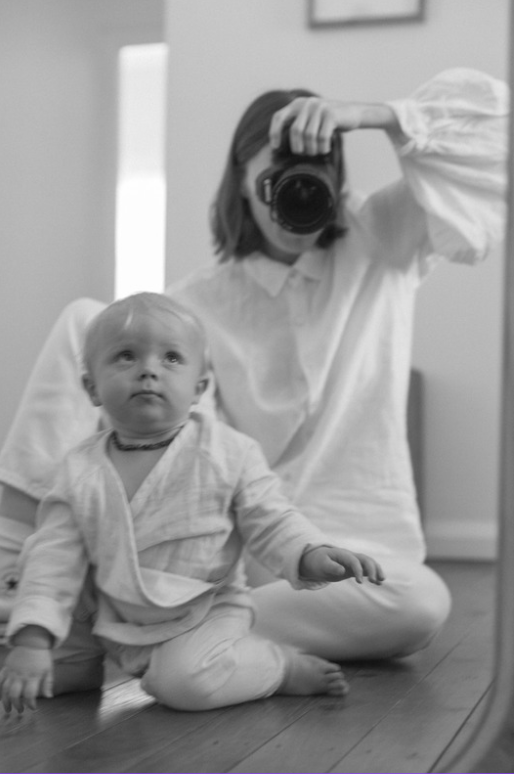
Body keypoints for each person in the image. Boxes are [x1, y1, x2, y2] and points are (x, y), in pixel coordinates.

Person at [0, 68, 508, 662]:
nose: (295, 194)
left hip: (350, 549)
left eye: (313, 172)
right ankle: (19, 582)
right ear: (242, 181)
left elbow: (498, 138)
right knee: (91, 319)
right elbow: (183, 455)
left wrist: (367, 115)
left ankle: (138, 630)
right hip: (232, 550)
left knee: (419, 604)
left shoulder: (383, 241)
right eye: (276, 174)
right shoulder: (193, 307)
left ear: (338, 181)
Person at [0, 292, 385, 715]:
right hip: (112, 613)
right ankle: (76, 662)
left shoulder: (228, 452)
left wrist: (310, 553)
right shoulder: (77, 470)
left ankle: (277, 666)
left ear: (199, 387)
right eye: (126, 357)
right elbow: (55, 563)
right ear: (91, 387)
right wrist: (31, 641)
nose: (148, 370)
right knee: (45, 550)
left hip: (202, 611)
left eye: (171, 359)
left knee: (183, 685)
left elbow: (271, 519)